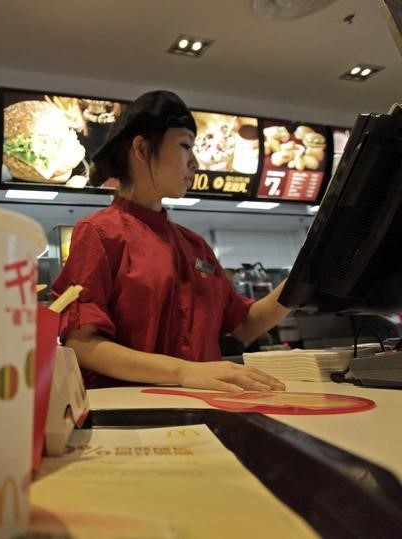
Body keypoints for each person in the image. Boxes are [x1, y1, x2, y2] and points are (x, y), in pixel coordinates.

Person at [52, 90, 290, 393]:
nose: (196, 163)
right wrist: (183, 372)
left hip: (208, 409)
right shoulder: (99, 232)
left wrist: (299, 283)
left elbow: (245, 324)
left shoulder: (195, 246)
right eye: (185, 146)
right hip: (134, 418)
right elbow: (82, 344)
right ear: (141, 148)